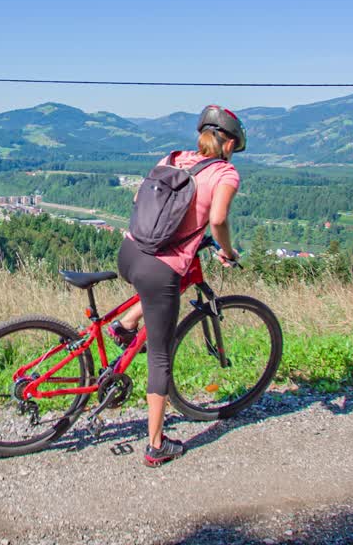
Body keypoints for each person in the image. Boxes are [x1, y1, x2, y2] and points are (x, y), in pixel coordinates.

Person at [112, 105, 244, 467]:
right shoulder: (225, 173)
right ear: (229, 144)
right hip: (158, 269)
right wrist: (227, 251)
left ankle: (126, 322)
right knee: (160, 355)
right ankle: (155, 445)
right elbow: (218, 219)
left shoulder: (171, 158)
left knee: (162, 291)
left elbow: (140, 199)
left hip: (130, 252)